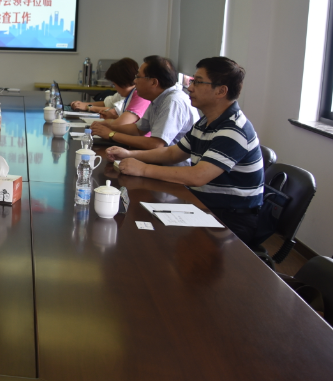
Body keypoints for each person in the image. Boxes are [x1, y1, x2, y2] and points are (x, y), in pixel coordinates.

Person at [106, 57, 264, 245]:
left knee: (155, 241)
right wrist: (129, 154)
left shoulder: (234, 129)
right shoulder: (206, 122)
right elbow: (173, 153)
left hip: (230, 219)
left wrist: (143, 169)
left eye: (198, 82)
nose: (190, 88)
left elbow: (198, 176)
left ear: (221, 91)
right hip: (204, 205)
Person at [91, 55, 197, 150]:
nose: (134, 81)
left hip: (171, 164)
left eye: (138, 77)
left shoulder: (173, 101)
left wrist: (111, 134)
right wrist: (109, 127)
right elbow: (138, 130)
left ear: (154, 82)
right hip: (159, 159)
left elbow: (156, 144)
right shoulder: (158, 98)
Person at [70, 57, 150, 128]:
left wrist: (108, 131)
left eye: (138, 77)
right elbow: (125, 121)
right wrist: (113, 118)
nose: (135, 80)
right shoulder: (131, 94)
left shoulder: (139, 96)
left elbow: (121, 123)